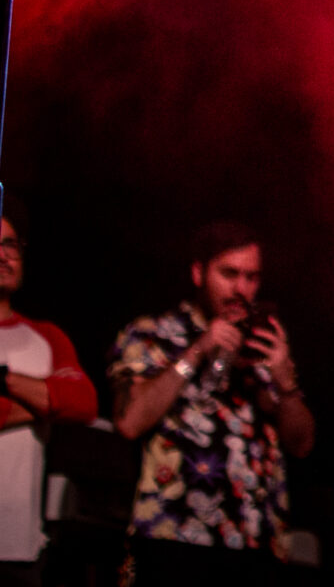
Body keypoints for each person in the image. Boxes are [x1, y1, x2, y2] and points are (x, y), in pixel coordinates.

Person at [108, 222, 314, 587]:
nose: (241, 289)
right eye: (229, 274)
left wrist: (286, 384)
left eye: (251, 277)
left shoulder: (264, 346)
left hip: (256, 543)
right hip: (174, 538)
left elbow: (301, 445)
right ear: (198, 273)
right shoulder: (153, 334)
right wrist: (199, 350)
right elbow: (129, 421)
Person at [0, 203, 100, 587]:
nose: (3, 256)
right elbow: (62, 402)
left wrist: (5, 380)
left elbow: (84, 403)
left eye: (10, 245)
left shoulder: (46, 337)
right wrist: (44, 403)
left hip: (18, 549)